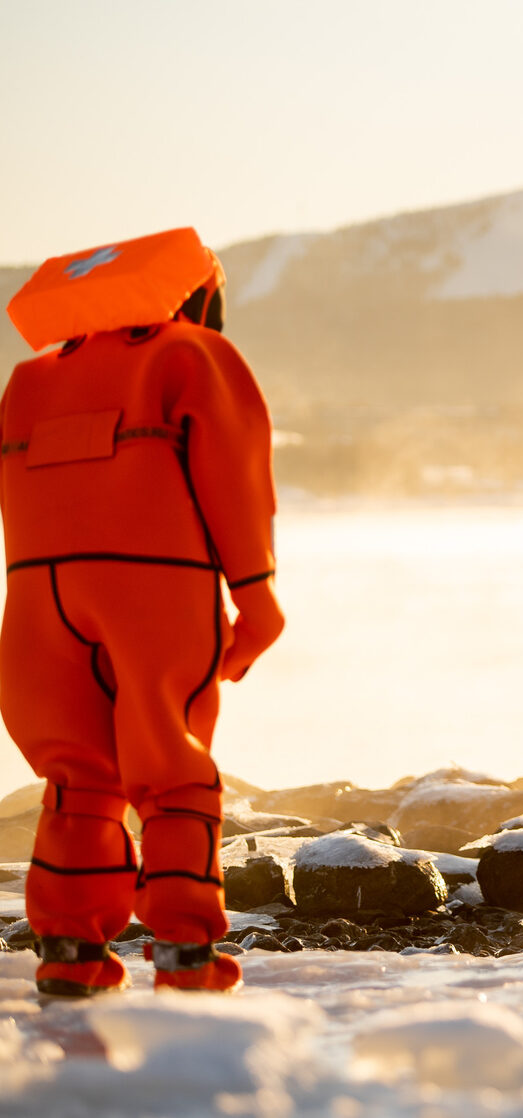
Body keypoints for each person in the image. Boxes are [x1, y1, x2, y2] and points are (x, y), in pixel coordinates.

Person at [2, 228, 284, 996]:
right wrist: (256, 594)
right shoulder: (188, 356)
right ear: (198, 296)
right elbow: (233, 473)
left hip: (35, 601)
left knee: (78, 780)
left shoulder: (28, 381)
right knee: (173, 765)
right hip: (154, 587)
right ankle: (187, 957)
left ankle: (68, 950)